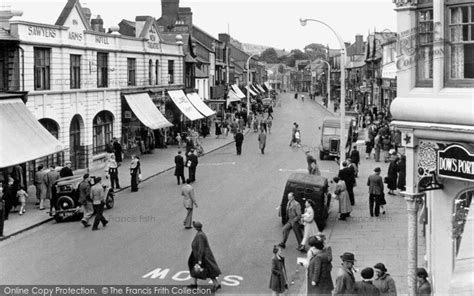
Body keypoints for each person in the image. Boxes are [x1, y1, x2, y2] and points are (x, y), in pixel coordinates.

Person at [187, 221, 221, 291]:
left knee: (209, 271)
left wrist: (199, 259)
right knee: (195, 268)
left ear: (196, 228)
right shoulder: (200, 234)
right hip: (198, 255)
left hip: (203, 256)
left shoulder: (200, 235)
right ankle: (194, 284)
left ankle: (216, 284)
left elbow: (201, 248)